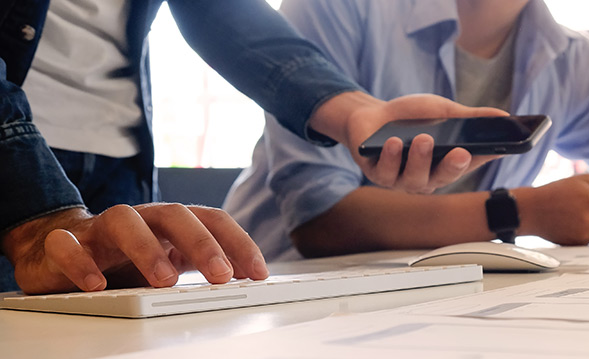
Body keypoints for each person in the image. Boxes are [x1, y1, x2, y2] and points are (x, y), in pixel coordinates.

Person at [0, 0, 501, 294]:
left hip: (117, 167)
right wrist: (37, 212)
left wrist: (350, 110)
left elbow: (219, 9)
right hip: (16, 180)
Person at [223, 0, 589, 262]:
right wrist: (521, 211)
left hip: (444, 296)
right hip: (277, 288)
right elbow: (318, 220)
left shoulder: (572, 58)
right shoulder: (337, 9)